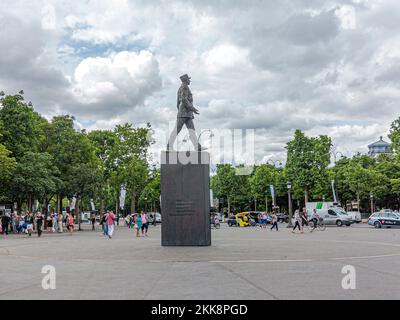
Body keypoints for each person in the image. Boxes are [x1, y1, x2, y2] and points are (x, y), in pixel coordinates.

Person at [167, 74, 206, 151]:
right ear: (185, 80)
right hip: (184, 113)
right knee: (177, 130)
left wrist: (184, 110)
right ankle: (169, 147)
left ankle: (197, 146)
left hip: (186, 113)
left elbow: (177, 103)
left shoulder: (183, 87)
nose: (189, 80)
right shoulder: (184, 87)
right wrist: (192, 108)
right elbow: (184, 100)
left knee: (191, 130)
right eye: (188, 79)